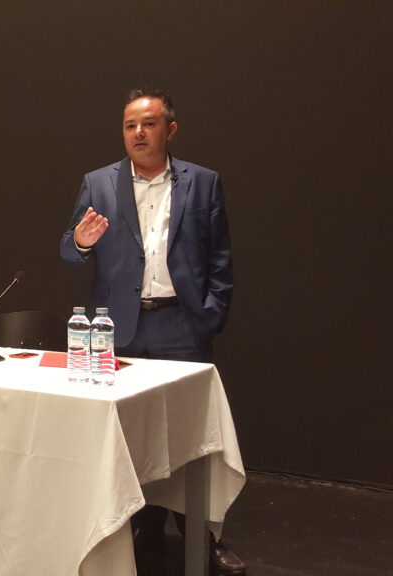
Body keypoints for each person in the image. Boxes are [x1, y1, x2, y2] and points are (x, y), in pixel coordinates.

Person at [59, 89, 245, 576]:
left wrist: (210, 314)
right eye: (129, 125)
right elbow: (68, 249)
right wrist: (81, 242)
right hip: (117, 329)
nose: (138, 133)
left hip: (182, 325)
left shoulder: (202, 182)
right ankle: (141, 530)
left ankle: (202, 538)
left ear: (170, 129)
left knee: (190, 438)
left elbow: (220, 257)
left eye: (148, 124)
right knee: (129, 437)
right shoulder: (98, 183)